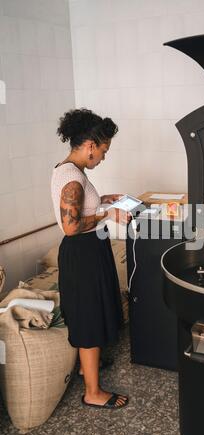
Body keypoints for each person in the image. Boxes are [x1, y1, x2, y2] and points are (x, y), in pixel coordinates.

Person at [51, 108, 130, 409]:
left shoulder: (71, 171)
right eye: (104, 150)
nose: (104, 157)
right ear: (90, 146)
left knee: (93, 311)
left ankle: (87, 367)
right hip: (82, 252)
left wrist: (103, 200)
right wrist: (108, 213)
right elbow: (71, 227)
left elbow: (80, 210)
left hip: (89, 250)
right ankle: (92, 392)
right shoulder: (72, 177)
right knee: (88, 317)